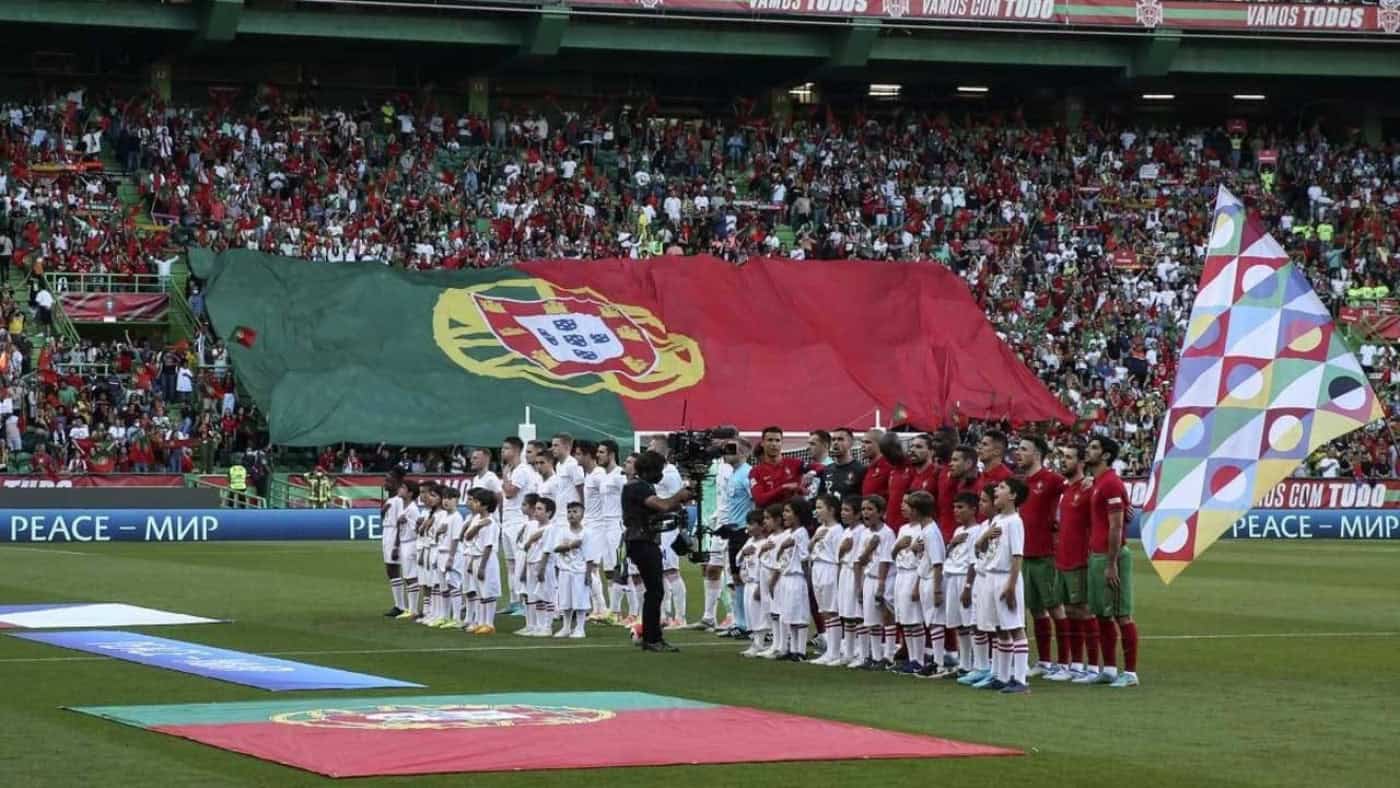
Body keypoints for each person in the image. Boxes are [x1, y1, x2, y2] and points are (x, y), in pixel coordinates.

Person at [1079, 435, 1140, 688]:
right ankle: (1110, 670)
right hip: (1097, 555)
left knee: (1121, 615)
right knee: (1102, 615)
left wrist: (1112, 563)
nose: (1088, 450)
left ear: (1105, 455)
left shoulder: (1111, 483)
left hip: (1110, 556)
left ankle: (1131, 673)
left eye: (1094, 447)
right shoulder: (1098, 482)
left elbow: (1116, 526)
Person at [622, 449, 694, 652]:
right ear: (650, 470)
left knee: (654, 590)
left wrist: (674, 510)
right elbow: (661, 505)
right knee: (655, 590)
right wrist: (679, 496)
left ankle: (652, 636)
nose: (661, 474)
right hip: (642, 541)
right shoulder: (638, 487)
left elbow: (653, 512)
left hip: (642, 540)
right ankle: (652, 637)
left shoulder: (641, 486)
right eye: (659, 470)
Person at [1014, 435, 1067, 678]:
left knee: (1056, 608)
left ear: (1037, 454)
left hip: (1046, 554)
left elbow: (1073, 490)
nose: (1018, 452)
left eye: (1023, 449)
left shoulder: (1052, 479)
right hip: (1025, 554)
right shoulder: (1022, 482)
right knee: (1036, 610)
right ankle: (1045, 661)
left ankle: (1065, 662)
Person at [1050, 442, 1098, 681]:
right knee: (1069, 611)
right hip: (1063, 558)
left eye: (1069, 457)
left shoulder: (1089, 488)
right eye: (1063, 457)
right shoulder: (1066, 489)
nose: (1064, 461)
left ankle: (1094, 666)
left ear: (1081, 462)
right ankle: (1075, 665)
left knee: (1084, 611)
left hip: (1080, 559)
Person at [980, 479, 1031, 694]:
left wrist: (1011, 585)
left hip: (1006, 577)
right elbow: (982, 548)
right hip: (991, 577)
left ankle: (1020, 680)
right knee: (1000, 628)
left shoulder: (1014, 522)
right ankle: (1001, 677)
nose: (996, 490)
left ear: (1012, 496)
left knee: (1015, 627)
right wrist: (984, 536)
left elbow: (1017, 555)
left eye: (1002, 488)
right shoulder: (998, 519)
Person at [854, 495, 895, 670]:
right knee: (871, 619)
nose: (866, 513)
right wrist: (859, 585)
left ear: (880, 513)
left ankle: (889, 656)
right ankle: (876, 656)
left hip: (883, 579)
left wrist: (881, 585)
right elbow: (860, 561)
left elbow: (886, 560)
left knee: (886, 616)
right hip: (868, 578)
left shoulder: (887, 533)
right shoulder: (864, 534)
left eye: (870, 509)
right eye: (863, 509)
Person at [499, 436, 538, 616]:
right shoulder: (511, 470)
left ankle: (524, 602)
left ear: (516, 450)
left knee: (520, 562)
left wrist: (505, 476)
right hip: (508, 521)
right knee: (510, 564)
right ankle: (514, 601)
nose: (503, 451)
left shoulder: (521, 470)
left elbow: (510, 493)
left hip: (518, 521)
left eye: (506, 448)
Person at [944, 492, 982, 679]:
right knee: (959, 624)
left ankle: (977, 665)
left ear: (973, 509)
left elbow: (974, 562)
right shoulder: (958, 531)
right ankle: (964, 664)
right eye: (954, 507)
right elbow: (949, 555)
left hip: (965, 578)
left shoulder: (978, 531)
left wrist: (968, 586)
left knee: (970, 623)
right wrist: (952, 543)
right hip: (951, 578)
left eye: (960, 507)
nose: (956, 511)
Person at [808, 494, 846, 666]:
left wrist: (838, 578)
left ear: (831, 510)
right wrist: (815, 538)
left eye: (820, 507)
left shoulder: (838, 530)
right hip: (817, 568)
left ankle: (835, 651)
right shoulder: (819, 529)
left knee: (832, 611)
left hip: (829, 568)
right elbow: (809, 550)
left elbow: (839, 556)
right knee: (823, 611)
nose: (817, 511)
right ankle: (830, 650)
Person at [774, 499, 813, 661]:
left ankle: (801, 650)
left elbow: (804, 558)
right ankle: (792, 649)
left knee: (799, 614)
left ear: (797, 515)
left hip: (797, 577)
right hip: (786, 577)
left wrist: (808, 580)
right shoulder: (789, 533)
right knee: (789, 614)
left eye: (788, 511)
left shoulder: (801, 533)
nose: (784, 515)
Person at [552, 501, 597, 639]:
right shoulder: (562, 531)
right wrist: (571, 546)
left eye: (575, 512)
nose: (571, 514)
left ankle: (580, 628)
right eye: (569, 512)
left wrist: (588, 574)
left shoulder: (587, 533)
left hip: (579, 571)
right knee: (565, 600)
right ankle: (566, 627)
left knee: (580, 600)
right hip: (565, 570)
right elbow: (556, 548)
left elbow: (590, 556)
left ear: (582, 515)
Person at [463, 487, 501, 635]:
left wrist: (482, 567)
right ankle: (481, 622)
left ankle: (489, 623)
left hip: (487, 559)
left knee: (488, 591)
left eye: (477, 502)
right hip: (475, 557)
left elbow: (488, 546)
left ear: (485, 505)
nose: (474, 504)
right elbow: (468, 537)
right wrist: (478, 526)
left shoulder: (491, 523)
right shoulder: (477, 520)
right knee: (480, 592)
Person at [835, 497, 867, 668]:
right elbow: (839, 556)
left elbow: (859, 559)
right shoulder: (846, 531)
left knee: (858, 614)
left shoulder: (861, 531)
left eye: (847, 510)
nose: (843, 513)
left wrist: (858, 584)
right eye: (842, 510)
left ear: (857, 514)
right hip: (845, 573)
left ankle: (863, 653)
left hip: (856, 573)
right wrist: (842, 549)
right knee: (847, 614)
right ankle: (848, 652)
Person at [737, 510, 771, 658]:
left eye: (752, 524)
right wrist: (744, 552)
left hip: (758, 582)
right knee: (750, 613)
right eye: (748, 524)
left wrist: (761, 585)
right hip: (748, 582)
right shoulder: (749, 541)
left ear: (761, 526)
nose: (748, 527)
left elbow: (765, 565)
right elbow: (738, 559)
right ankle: (756, 643)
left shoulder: (765, 543)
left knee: (759, 614)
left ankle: (760, 643)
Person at [751, 426, 804, 508]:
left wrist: (812, 473)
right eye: (770, 440)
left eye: (777, 440)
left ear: (782, 443)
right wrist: (783, 488)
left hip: (793, 515)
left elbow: (818, 467)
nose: (774, 444)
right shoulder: (755, 472)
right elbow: (759, 500)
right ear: (762, 443)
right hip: (769, 515)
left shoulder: (796, 463)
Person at [380, 480, 411, 618]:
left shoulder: (398, 501)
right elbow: (384, 518)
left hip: (394, 535)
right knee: (390, 570)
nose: (385, 483)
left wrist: (396, 545)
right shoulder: (390, 500)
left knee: (394, 569)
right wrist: (383, 511)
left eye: (388, 480)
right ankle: (399, 605)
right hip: (387, 534)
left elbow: (400, 523)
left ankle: (401, 606)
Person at [395, 480, 422, 620]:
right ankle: (411, 609)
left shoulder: (413, 509)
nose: (400, 489)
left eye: (403, 487)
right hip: (404, 542)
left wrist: (405, 521)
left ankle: (413, 609)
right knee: (407, 576)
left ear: (410, 493)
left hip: (411, 543)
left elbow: (418, 529)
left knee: (411, 576)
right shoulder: (403, 507)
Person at [821, 427, 866, 501]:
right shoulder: (827, 470)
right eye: (833, 440)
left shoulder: (860, 470)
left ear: (851, 443)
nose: (835, 443)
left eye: (840, 439)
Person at [975, 429, 1013, 494]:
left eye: (985, 444)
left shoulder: (1007, 478)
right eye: (980, 444)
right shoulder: (981, 475)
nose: (980, 447)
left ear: (997, 451)